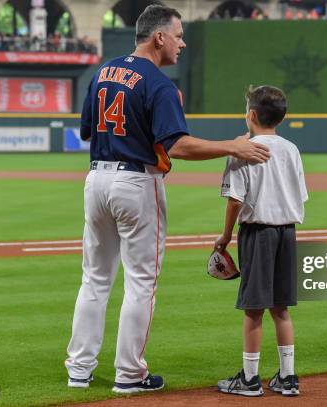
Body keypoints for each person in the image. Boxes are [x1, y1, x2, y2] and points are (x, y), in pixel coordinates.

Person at [65, 5, 270, 394]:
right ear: (159, 37)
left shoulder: (103, 71)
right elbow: (178, 146)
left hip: (97, 179)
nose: (182, 42)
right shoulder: (158, 83)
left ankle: (79, 369)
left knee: (94, 279)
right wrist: (233, 147)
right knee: (141, 282)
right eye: (178, 35)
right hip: (137, 183)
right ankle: (129, 374)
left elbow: (89, 133)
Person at [215, 85, 308, 397]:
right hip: (287, 232)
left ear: (251, 115)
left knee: (254, 308)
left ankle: (250, 379)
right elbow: (300, 195)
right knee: (281, 308)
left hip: (258, 234)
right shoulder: (292, 149)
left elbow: (234, 201)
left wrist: (226, 237)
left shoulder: (243, 150)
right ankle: (288, 377)